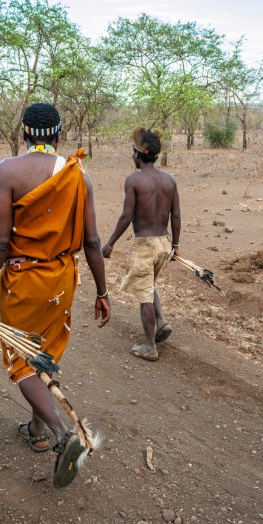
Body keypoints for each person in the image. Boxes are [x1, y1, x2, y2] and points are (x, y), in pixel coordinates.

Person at [0, 103, 110, 488]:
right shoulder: (78, 174)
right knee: (43, 350)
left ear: (24, 132)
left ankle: (63, 435)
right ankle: (36, 429)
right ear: (59, 134)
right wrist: (103, 291)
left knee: (21, 359)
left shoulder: (7, 171)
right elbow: (93, 241)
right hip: (62, 278)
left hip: (24, 279)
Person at [102, 127, 181, 362]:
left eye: (132, 151)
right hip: (164, 243)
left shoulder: (134, 180)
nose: (131, 156)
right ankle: (162, 321)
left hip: (145, 245)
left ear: (139, 154)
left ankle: (150, 346)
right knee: (149, 284)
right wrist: (176, 244)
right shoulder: (170, 179)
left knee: (144, 295)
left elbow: (126, 216)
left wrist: (110, 243)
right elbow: (176, 215)